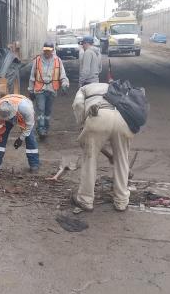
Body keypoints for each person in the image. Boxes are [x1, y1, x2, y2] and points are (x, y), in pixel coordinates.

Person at [71, 82, 134, 212]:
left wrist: (82, 122)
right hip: (122, 119)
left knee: (90, 159)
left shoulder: (83, 89)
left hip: (98, 116)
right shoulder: (113, 86)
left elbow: (77, 104)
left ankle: (85, 200)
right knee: (122, 160)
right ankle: (121, 201)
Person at [0, 94, 39, 172]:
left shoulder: (26, 108)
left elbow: (29, 126)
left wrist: (21, 138)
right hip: (10, 113)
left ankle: (34, 164)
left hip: (21, 114)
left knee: (30, 138)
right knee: (1, 136)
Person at [28, 42, 69, 138]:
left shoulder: (58, 61)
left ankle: (46, 127)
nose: (46, 52)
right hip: (40, 89)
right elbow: (32, 76)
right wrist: (30, 90)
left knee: (47, 111)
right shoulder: (37, 60)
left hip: (52, 89)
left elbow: (62, 75)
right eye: (45, 50)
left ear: (52, 50)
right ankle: (41, 128)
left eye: (48, 51)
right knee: (41, 109)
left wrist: (64, 84)